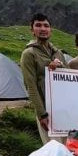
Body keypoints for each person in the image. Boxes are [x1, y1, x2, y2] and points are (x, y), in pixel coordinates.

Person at [20, 13, 68, 144]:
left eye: (46, 26)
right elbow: (31, 86)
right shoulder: (29, 54)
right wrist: (42, 114)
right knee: (53, 149)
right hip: (46, 109)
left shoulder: (58, 53)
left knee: (67, 147)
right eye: (38, 25)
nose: (43, 29)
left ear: (50, 30)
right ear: (32, 30)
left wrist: (61, 66)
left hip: (64, 109)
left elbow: (70, 78)